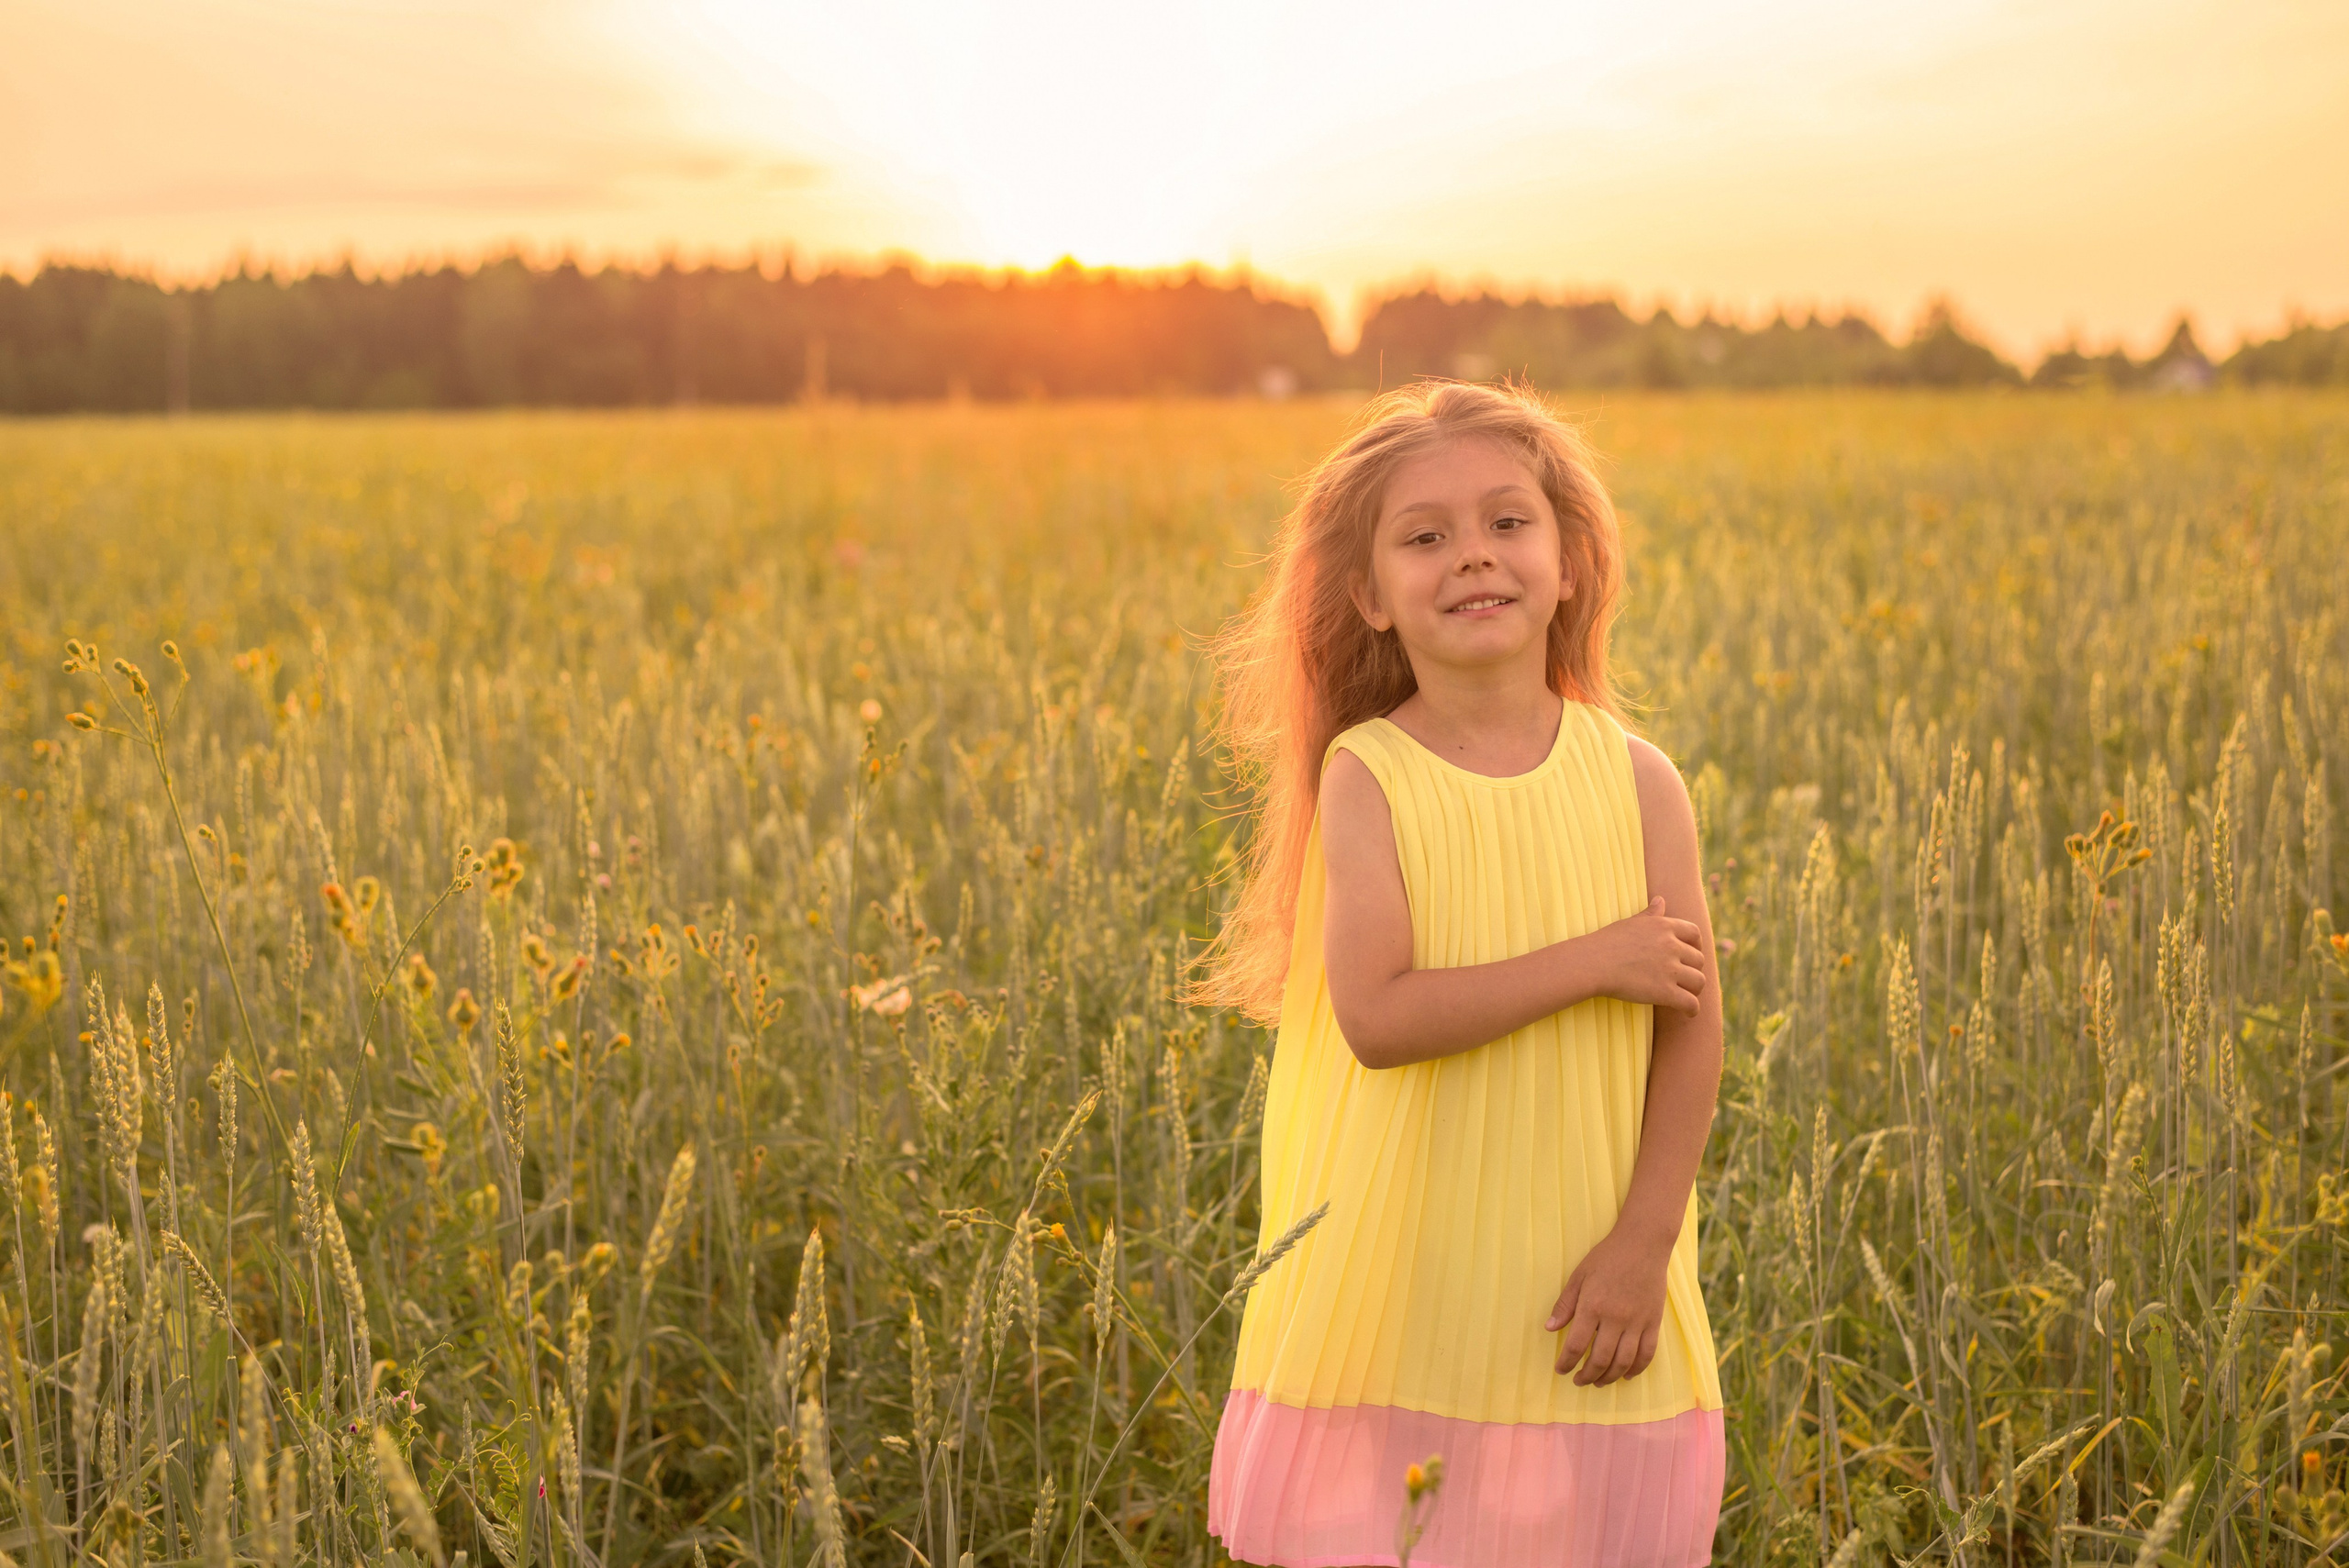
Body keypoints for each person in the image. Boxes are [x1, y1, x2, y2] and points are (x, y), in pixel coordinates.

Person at [1195, 379, 1726, 1567]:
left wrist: (1645, 1245)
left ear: (1568, 562)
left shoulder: (1639, 780)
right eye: (1424, 537)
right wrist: (1596, 960)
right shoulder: (1368, 776)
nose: (1473, 555)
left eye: (1507, 521)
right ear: (1370, 596)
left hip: (1590, 1271)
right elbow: (1379, 1017)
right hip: (1415, 1275)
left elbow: (1694, 1032)